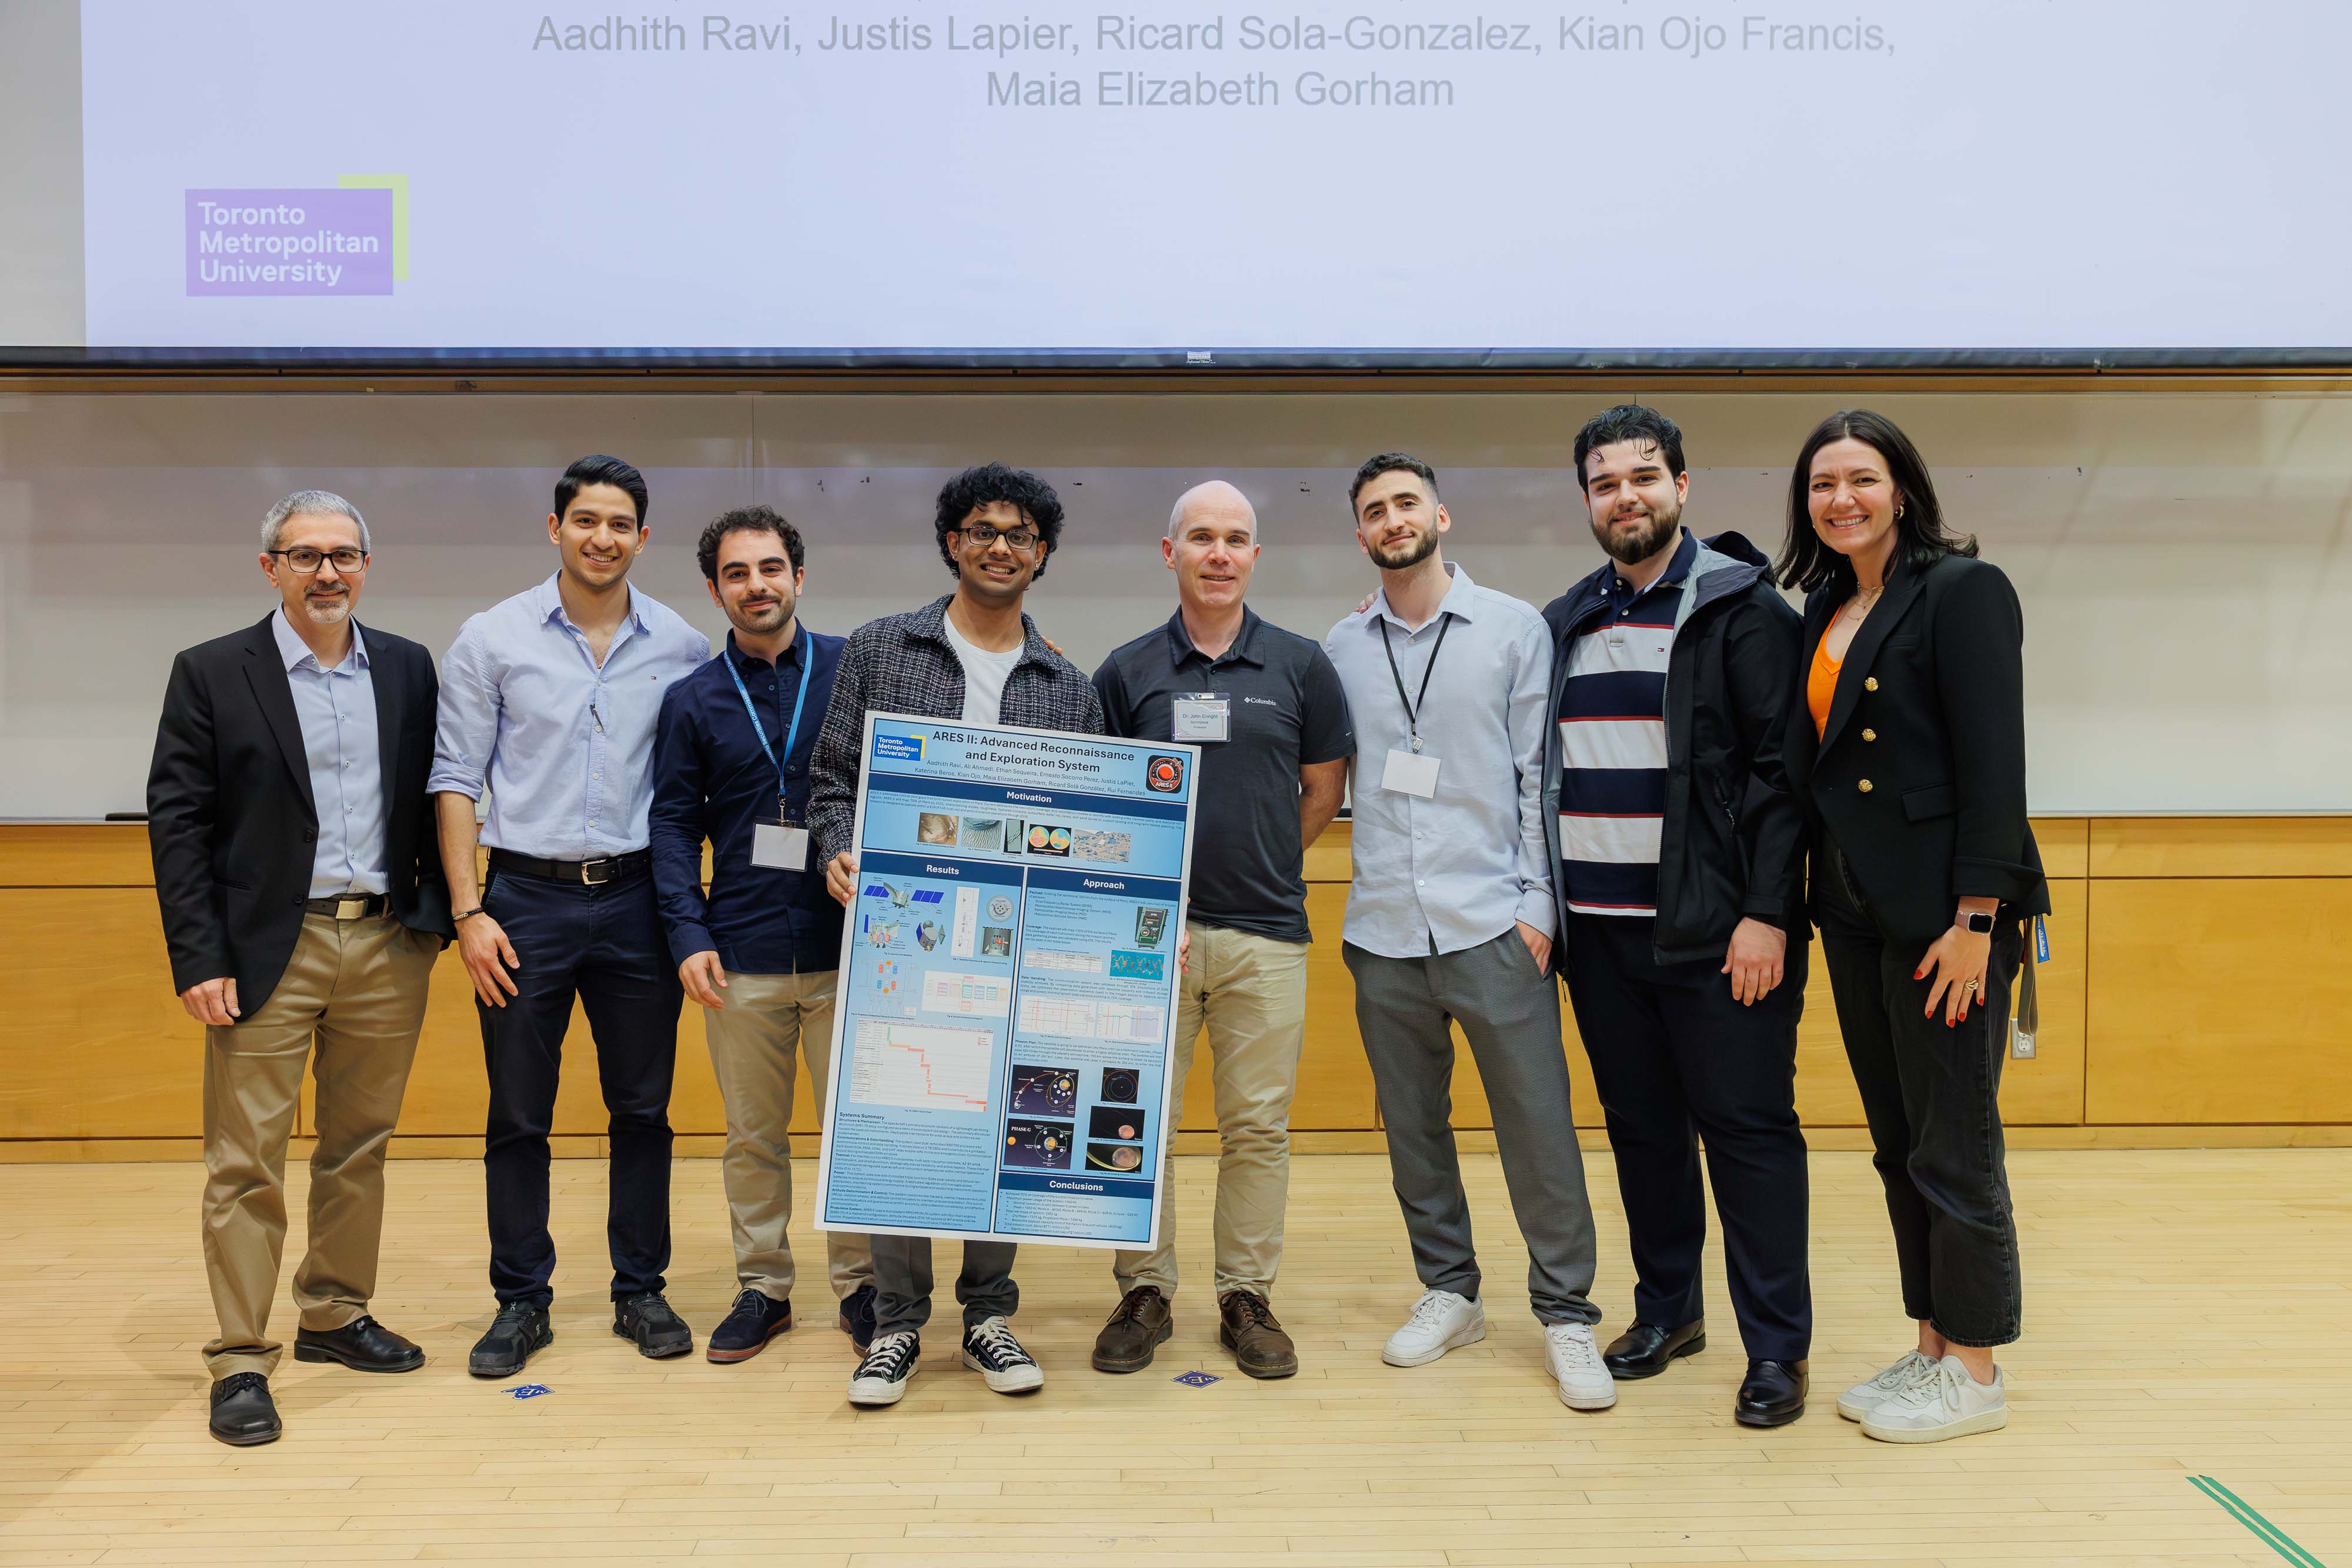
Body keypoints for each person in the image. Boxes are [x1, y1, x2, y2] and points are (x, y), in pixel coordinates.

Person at [147, 490, 452, 1446]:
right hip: (263, 953)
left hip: (385, 945)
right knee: (246, 1164)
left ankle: (333, 1313)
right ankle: (241, 1357)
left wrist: (432, 923)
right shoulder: (210, 673)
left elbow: (441, 793)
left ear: (368, 566)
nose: (329, 572)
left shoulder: (406, 667)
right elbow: (179, 824)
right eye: (307, 555)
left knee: (359, 1146)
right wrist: (199, 955)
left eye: (346, 555)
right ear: (270, 567)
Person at [1538, 406, 1813, 1427]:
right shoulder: (1567, 617)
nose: (1627, 496)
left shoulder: (1744, 610)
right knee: (1645, 1134)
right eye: (1606, 482)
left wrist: (1766, 914)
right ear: (1588, 502)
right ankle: (1670, 1313)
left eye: (1644, 476)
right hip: (1600, 939)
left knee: (1748, 1137)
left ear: (1682, 487)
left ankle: (1777, 1351)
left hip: (1717, 937)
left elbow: (1785, 782)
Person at [808, 462, 1105, 1407]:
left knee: (1003, 1117)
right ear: (951, 541)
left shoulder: (1068, 683)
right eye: (982, 530)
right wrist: (837, 852)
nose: (1001, 548)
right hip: (906, 938)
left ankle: (988, 1316)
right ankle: (896, 1326)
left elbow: (1090, 823)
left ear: (1044, 553)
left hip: (1017, 945)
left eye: (1020, 535)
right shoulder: (880, 650)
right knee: (901, 1112)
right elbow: (830, 783)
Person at [1322, 453, 1615, 1411]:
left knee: (1537, 1128)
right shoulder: (1341, 645)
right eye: (1375, 510)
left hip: (1494, 922)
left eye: (1407, 502)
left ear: (1440, 512)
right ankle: (1451, 1292)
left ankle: (1569, 1314)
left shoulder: (1511, 630)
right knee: (1414, 1131)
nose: (1393, 520)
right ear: (1360, 533)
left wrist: (1539, 907)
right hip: (1384, 932)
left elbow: (1542, 775)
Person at [1778, 409, 2048, 1444]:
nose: (1841, 498)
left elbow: (1996, 767)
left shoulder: (1962, 592)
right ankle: (1931, 1342)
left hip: (1947, 916)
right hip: (1853, 912)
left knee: (1955, 1145)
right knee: (1899, 1145)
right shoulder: (1825, 606)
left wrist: (1979, 917)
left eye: (1861, 478)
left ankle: (1976, 1372)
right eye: (1821, 484)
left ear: (1902, 487)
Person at [430, 454, 710, 1376]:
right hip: (523, 903)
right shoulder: (492, 637)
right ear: (555, 528)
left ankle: (641, 1289)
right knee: (518, 1113)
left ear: (643, 537)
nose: (603, 537)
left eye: (621, 523)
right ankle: (521, 1301)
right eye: (585, 520)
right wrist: (470, 910)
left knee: (643, 1108)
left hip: (637, 901)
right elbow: (456, 780)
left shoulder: (679, 644)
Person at [1087, 480, 1354, 1380]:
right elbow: (1108, 808)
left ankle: (1246, 1294)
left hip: (1268, 936)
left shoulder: (1302, 665)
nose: (1219, 554)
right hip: (1152, 941)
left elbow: (1322, 788)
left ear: (1254, 556)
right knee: (1137, 1120)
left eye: (1236, 538)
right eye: (1201, 537)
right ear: (1171, 553)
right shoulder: (1125, 672)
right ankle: (1146, 1290)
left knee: (1258, 1130)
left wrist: (1271, 860)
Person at [649, 506, 876, 1363]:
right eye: (737, 574)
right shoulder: (691, 700)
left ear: (799, 578)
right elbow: (672, 824)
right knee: (752, 1136)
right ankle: (764, 1286)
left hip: (852, 946)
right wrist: (685, 932)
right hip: (737, 950)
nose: (757, 586)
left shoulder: (855, 670)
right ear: (716, 590)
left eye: (771, 568)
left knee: (851, 1128)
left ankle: (861, 1287)